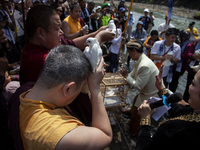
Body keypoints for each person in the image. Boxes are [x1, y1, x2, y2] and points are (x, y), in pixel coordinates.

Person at [19, 45, 112, 150]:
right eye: (83, 86)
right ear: (68, 89)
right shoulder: (60, 134)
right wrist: (95, 89)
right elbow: (105, 135)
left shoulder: (24, 92)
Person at [136, 68, 200, 150]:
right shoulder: (195, 113)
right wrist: (162, 89)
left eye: (193, 83)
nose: (189, 87)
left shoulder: (175, 128)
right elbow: (179, 111)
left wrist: (145, 119)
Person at [120, 39, 160, 135]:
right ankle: (131, 112)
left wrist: (126, 76)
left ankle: (135, 132)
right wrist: (126, 77)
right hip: (144, 92)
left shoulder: (144, 65)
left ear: (134, 51)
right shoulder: (140, 59)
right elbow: (133, 74)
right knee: (135, 103)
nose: (129, 55)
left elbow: (138, 85)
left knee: (136, 123)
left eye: (129, 52)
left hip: (150, 95)